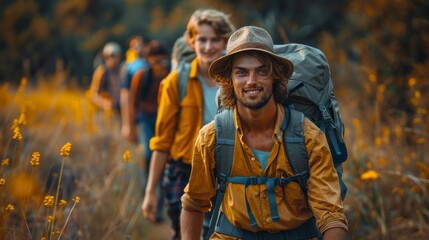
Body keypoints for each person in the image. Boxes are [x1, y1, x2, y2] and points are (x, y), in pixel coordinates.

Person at [180, 26, 348, 239]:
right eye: (241, 72)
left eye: (262, 71)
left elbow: (331, 215)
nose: (251, 81)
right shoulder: (212, 137)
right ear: (229, 80)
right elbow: (194, 203)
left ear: (275, 77)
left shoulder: (309, 137)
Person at [141, 9, 235, 240]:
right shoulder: (176, 81)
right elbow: (162, 141)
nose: (208, 47)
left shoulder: (237, 80)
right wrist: (150, 191)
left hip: (224, 172)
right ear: (192, 42)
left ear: (225, 41)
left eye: (215, 40)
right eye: (202, 40)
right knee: (184, 234)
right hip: (182, 171)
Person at [128, 40, 170, 222]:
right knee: (148, 154)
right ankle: (148, 191)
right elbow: (132, 103)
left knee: (163, 160)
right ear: (149, 60)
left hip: (165, 119)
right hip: (146, 119)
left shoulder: (170, 76)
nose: (159, 65)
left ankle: (158, 207)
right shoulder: (141, 76)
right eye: (155, 61)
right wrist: (130, 127)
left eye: (162, 61)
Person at [120, 35, 150, 142]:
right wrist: (127, 125)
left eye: (139, 44)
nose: (136, 48)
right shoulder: (129, 67)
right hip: (139, 116)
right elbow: (125, 96)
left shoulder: (154, 62)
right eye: (133, 46)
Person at [88, 41, 122, 114]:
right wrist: (104, 103)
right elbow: (93, 95)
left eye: (115, 56)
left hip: (119, 110)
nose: (113, 60)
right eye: (110, 57)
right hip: (104, 112)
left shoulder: (122, 71)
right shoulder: (101, 72)